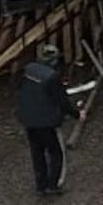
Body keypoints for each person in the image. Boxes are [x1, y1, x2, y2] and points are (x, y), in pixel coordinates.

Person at [14, 43, 83, 195]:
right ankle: (53, 184)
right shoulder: (52, 77)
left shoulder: (28, 69)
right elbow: (62, 101)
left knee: (37, 153)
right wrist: (77, 115)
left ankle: (41, 185)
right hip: (47, 123)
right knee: (57, 152)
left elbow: (19, 89)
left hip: (28, 121)